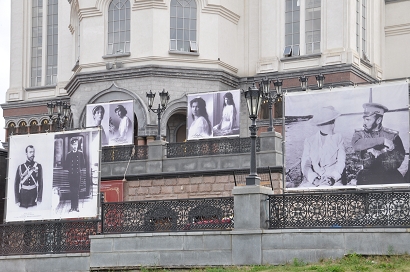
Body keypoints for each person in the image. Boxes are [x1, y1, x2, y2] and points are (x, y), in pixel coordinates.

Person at [351, 102, 405, 185]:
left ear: (378, 120)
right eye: (364, 119)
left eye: (368, 119)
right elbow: (356, 145)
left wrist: (378, 154)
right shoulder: (359, 134)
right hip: (366, 178)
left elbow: (398, 160)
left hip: (388, 177)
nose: (364, 123)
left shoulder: (392, 136)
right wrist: (382, 140)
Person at [299, 106, 346, 187]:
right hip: (314, 181)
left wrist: (332, 178)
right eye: (330, 122)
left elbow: (341, 162)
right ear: (320, 125)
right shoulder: (309, 141)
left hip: (333, 181)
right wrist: (315, 180)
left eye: (333, 122)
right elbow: (305, 165)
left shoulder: (338, 137)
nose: (333, 125)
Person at [64, 138, 85, 212]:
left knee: (76, 192)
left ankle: (76, 207)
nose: (74, 146)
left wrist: (78, 170)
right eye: (73, 145)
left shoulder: (80, 153)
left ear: (77, 145)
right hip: (71, 176)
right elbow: (66, 165)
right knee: (72, 191)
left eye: (75, 144)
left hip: (77, 175)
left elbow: (83, 164)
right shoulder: (69, 155)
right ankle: (72, 207)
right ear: (71, 145)